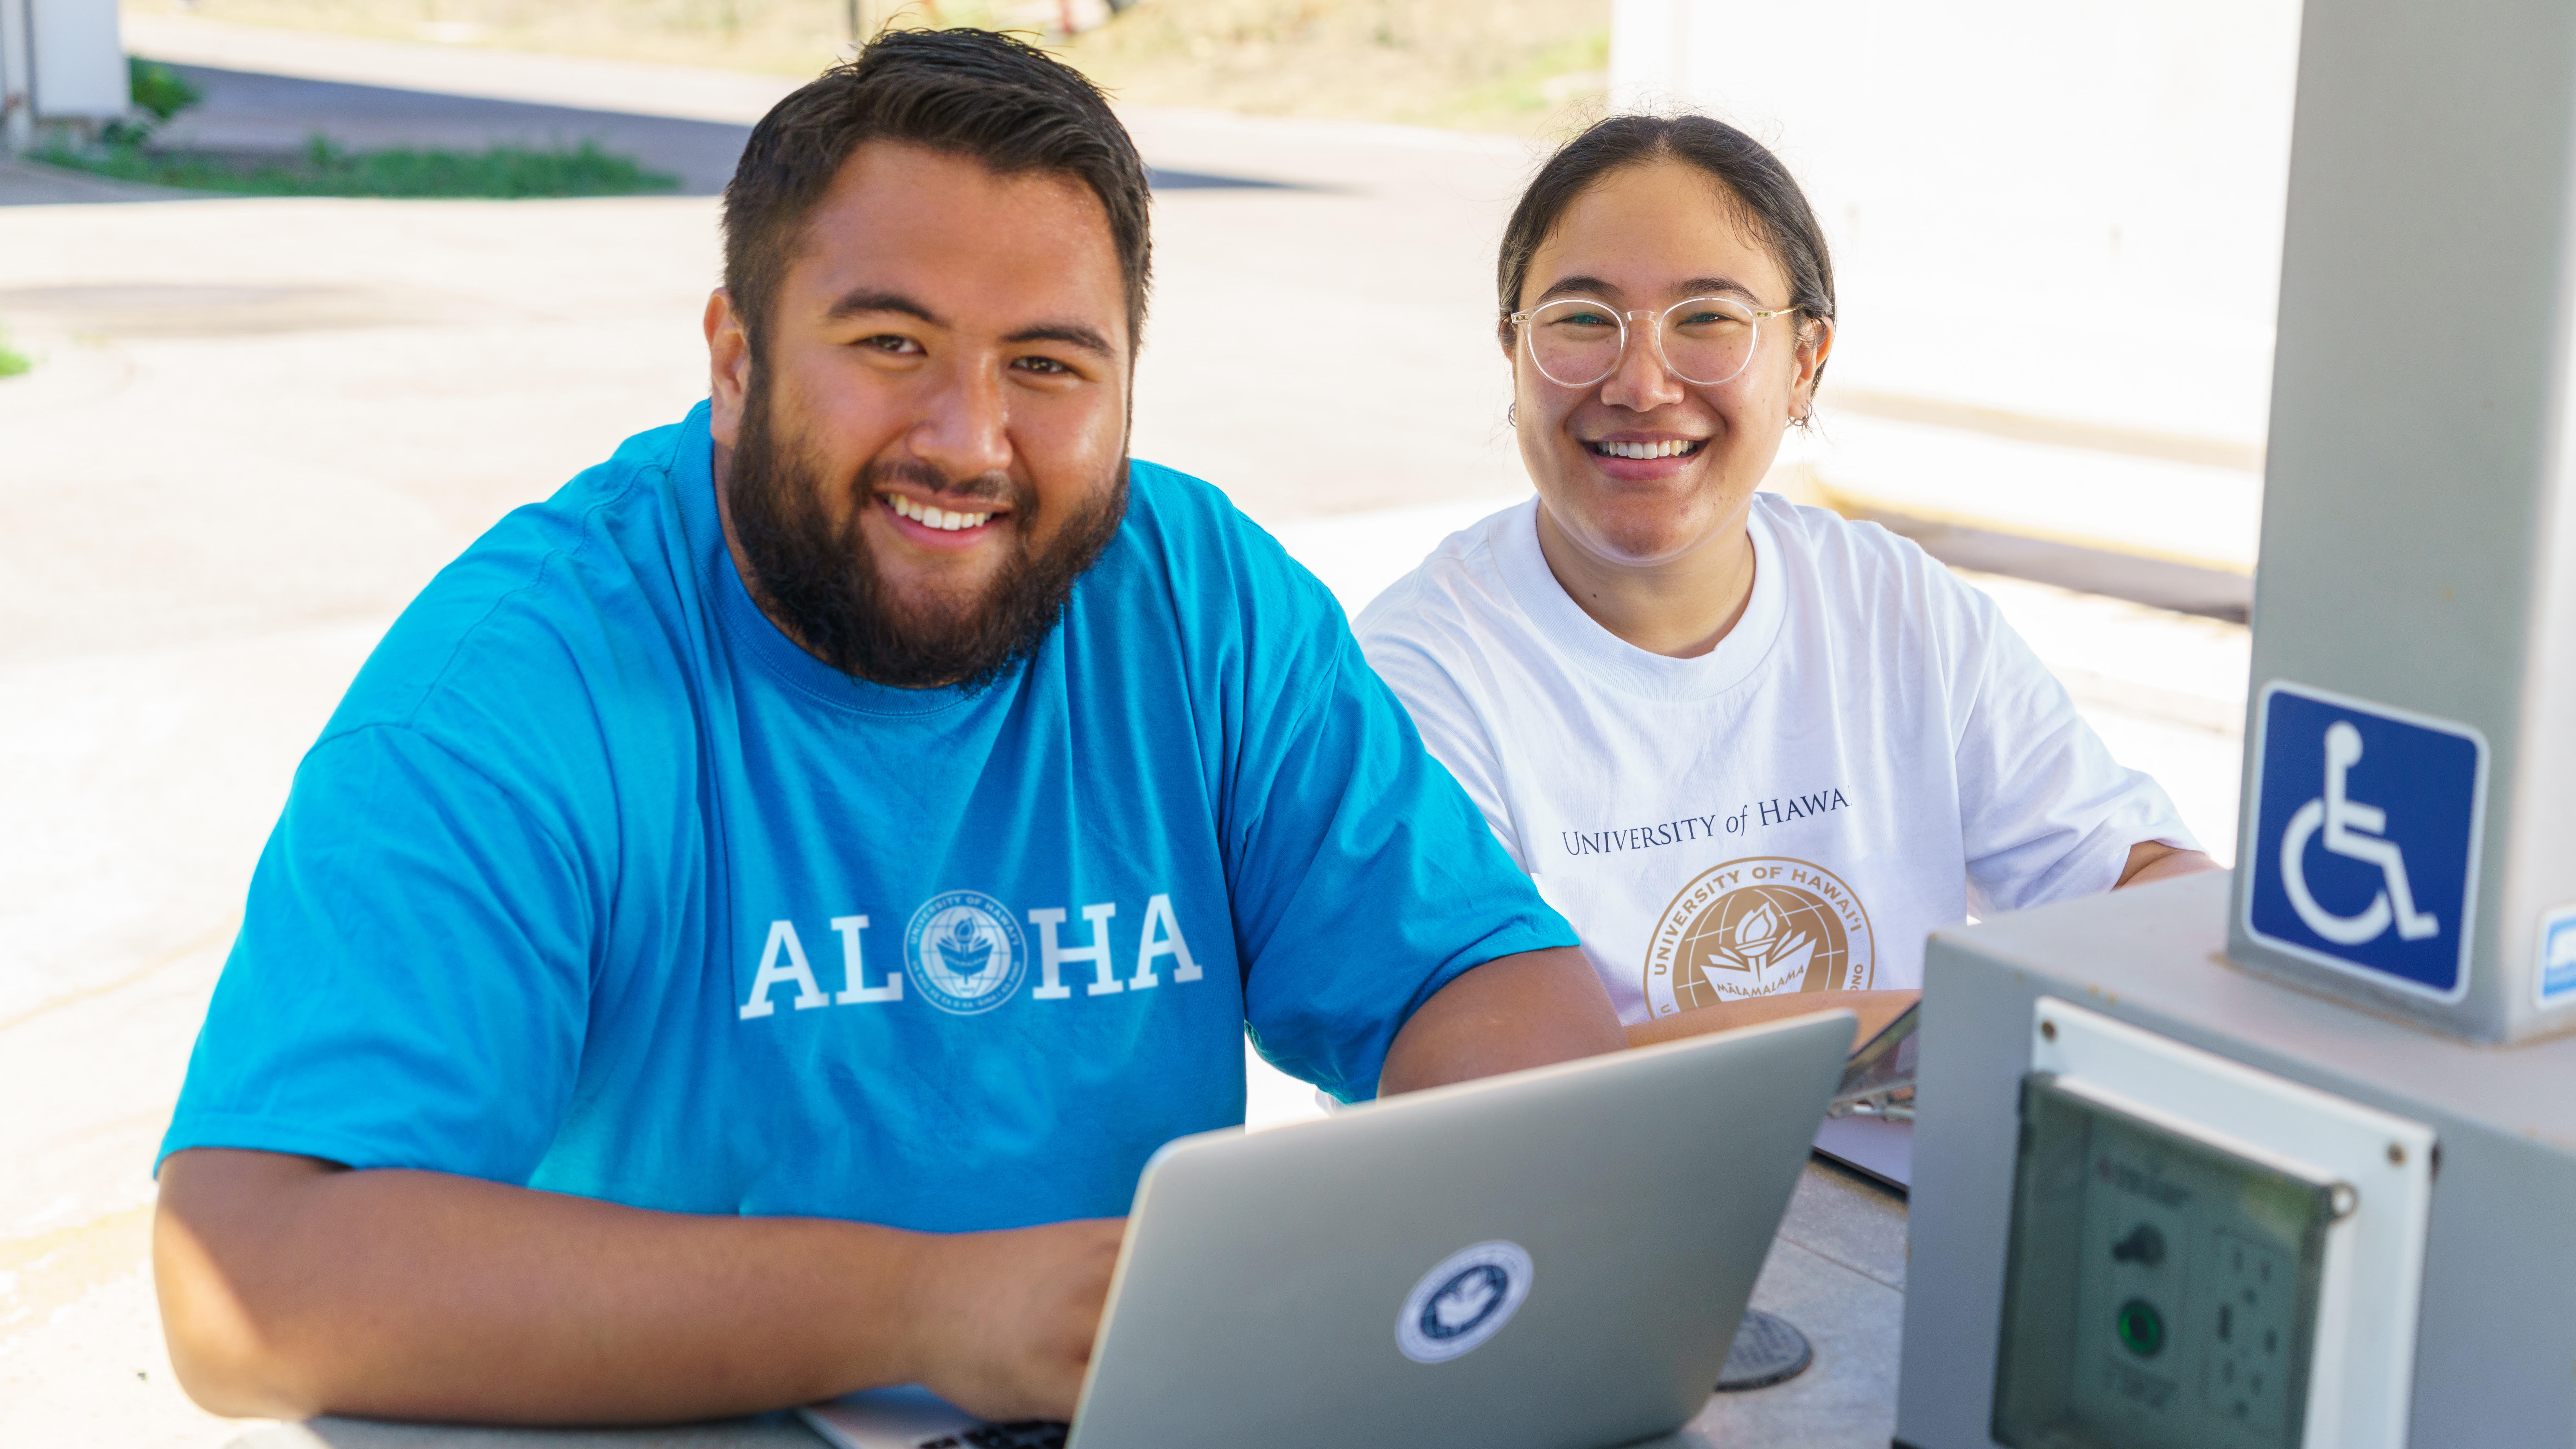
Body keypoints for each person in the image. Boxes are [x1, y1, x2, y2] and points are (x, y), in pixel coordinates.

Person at [150, 31, 1624, 1429]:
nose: (966, 440)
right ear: (735, 358)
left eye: (1047, 366)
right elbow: (248, 1282)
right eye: (892, 342)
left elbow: (1487, 986)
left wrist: (1415, 1278)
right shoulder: (516, 681)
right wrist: (931, 1313)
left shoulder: (1195, 594)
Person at [1354, 114, 2215, 1057]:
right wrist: (1945, 1031)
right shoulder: (1417, 676)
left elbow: (2145, 882)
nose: (1642, 383)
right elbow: (1490, 1082)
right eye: (1582, 321)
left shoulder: (1895, 607)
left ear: (1805, 364)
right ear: (1514, 354)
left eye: (1710, 320)